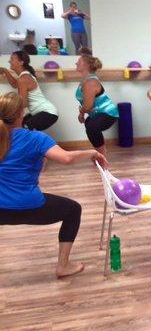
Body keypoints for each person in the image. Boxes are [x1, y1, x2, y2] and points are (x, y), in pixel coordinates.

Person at [0, 92, 107, 278]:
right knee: (72, 210)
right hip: (29, 205)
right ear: (21, 113)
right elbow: (66, 158)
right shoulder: (36, 138)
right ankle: (63, 266)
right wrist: (92, 152)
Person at [0, 51, 58, 131]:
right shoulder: (24, 76)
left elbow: (23, 103)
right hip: (43, 112)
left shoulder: (23, 78)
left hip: (47, 113)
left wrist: (7, 110)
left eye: (12, 59)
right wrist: (5, 71)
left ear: (21, 62)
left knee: (23, 129)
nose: (9, 61)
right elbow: (15, 84)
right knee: (19, 127)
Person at [75, 54, 118, 155]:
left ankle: (101, 154)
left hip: (108, 113)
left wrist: (81, 112)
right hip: (98, 113)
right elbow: (86, 103)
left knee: (92, 127)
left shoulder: (90, 82)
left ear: (86, 66)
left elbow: (88, 106)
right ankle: (100, 153)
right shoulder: (85, 80)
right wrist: (82, 113)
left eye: (79, 61)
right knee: (89, 123)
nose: (76, 63)